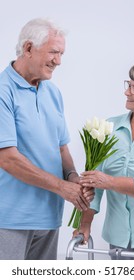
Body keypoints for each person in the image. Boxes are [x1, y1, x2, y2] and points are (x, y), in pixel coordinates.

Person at [0, 18, 93, 260]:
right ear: (28, 48)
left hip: (50, 217)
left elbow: (61, 147)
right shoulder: (3, 91)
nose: (58, 61)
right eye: (53, 52)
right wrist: (62, 187)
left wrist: (73, 177)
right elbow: (7, 159)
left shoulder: (53, 92)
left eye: (61, 53)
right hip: (9, 219)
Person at [75, 62, 134, 260]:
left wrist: (110, 182)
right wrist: (84, 224)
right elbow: (94, 184)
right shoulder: (109, 127)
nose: (127, 92)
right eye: (128, 85)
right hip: (118, 238)